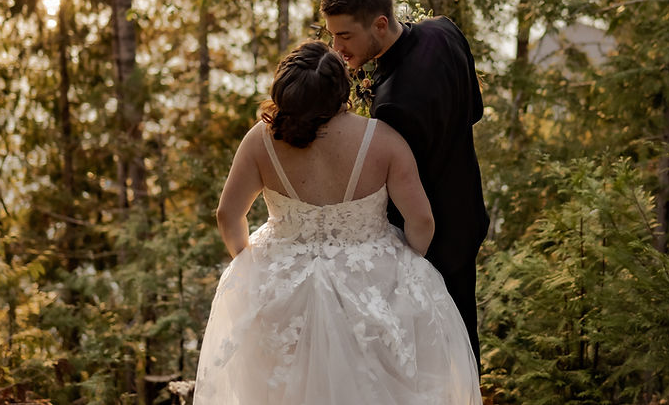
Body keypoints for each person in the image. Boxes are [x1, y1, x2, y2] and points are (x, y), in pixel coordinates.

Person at [194, 40, 481, 404]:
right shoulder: (384, 140)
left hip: (280, 286)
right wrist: (403, 267)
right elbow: (421, 220)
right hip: (371, 283)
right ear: (341, 88)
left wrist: (251, 265)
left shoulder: (259, 141)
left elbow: (227, 215)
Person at [320, 0, 490, 364]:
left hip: (430, 236)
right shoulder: (444, 31)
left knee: (430, 352)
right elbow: (474, 111)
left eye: (344, 36)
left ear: (380, 24)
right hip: (467, 213)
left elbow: (396, 190)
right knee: (463, 339)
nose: (336, 47)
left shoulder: (394, 106)